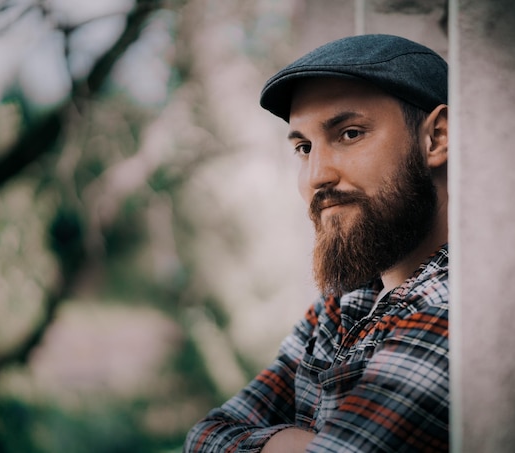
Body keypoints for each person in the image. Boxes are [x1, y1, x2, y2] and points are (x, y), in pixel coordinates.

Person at [184, 34, 449, 453]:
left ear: (435, 138)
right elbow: (204, 437)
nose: (316, 176)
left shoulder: (451, 308)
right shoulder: (342, 305)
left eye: (350, 134)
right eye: (304, 148)